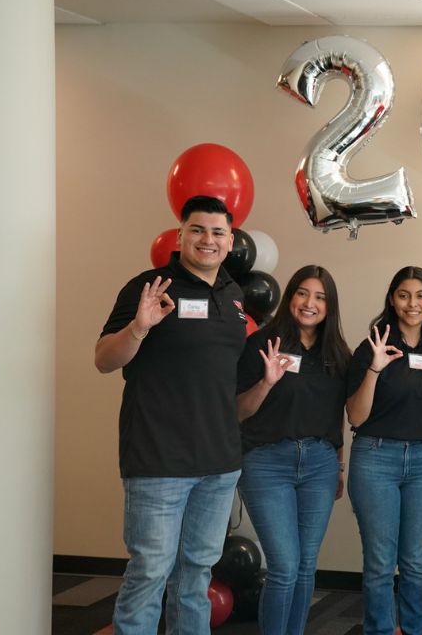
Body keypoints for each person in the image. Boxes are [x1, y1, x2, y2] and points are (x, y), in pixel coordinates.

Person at [95, 195, 245, 634]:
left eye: (217, 232)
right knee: (149, 574)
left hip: (218, 465)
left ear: (230, 240)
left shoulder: (233, 296)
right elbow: (104, 359)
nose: (207, 240)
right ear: (180, 235)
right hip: (159, 461)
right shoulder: (149, 287)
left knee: (195, 576)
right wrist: (139, 328)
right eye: (197, 229)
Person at [235, 265, 351, 635]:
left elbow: (337, 416)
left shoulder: (336, 353)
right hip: (267, 462)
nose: (310, 303)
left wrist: (339, 465)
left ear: (329, 306)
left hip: (319, 463)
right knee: (284, 566)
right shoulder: (263, 343)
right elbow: (239, 411)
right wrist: (268, 383)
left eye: (320, 297)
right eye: (303, 293)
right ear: (290, 297)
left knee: (305, 565)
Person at [344, 266, 422, 635]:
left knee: (417, 561)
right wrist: (374, 370)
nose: (412, 303)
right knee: (379, 563)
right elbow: (355, 415)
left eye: (421, 295)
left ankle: (415, 630)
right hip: (376, 459)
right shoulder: (372, 344)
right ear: (392, 299)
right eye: (404, 295)